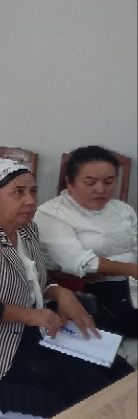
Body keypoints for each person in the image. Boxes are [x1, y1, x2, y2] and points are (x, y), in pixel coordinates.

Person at [0, 156, 130, 419]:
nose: (30, 200)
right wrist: (30, 315)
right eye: (18, 192)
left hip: (36, 332)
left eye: (33, 191)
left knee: (115, 367)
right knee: (85, 380)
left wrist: (59, 292)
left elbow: (31, 282)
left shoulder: (26, 230)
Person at [34, 145, 137, 338]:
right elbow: (80, 262)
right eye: (90, 182)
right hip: (85, 292)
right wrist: (132, 270)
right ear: (69, 181)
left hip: (130, 287)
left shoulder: (123, 210)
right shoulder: (50, 214)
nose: (101, 189)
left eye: (109, 182)